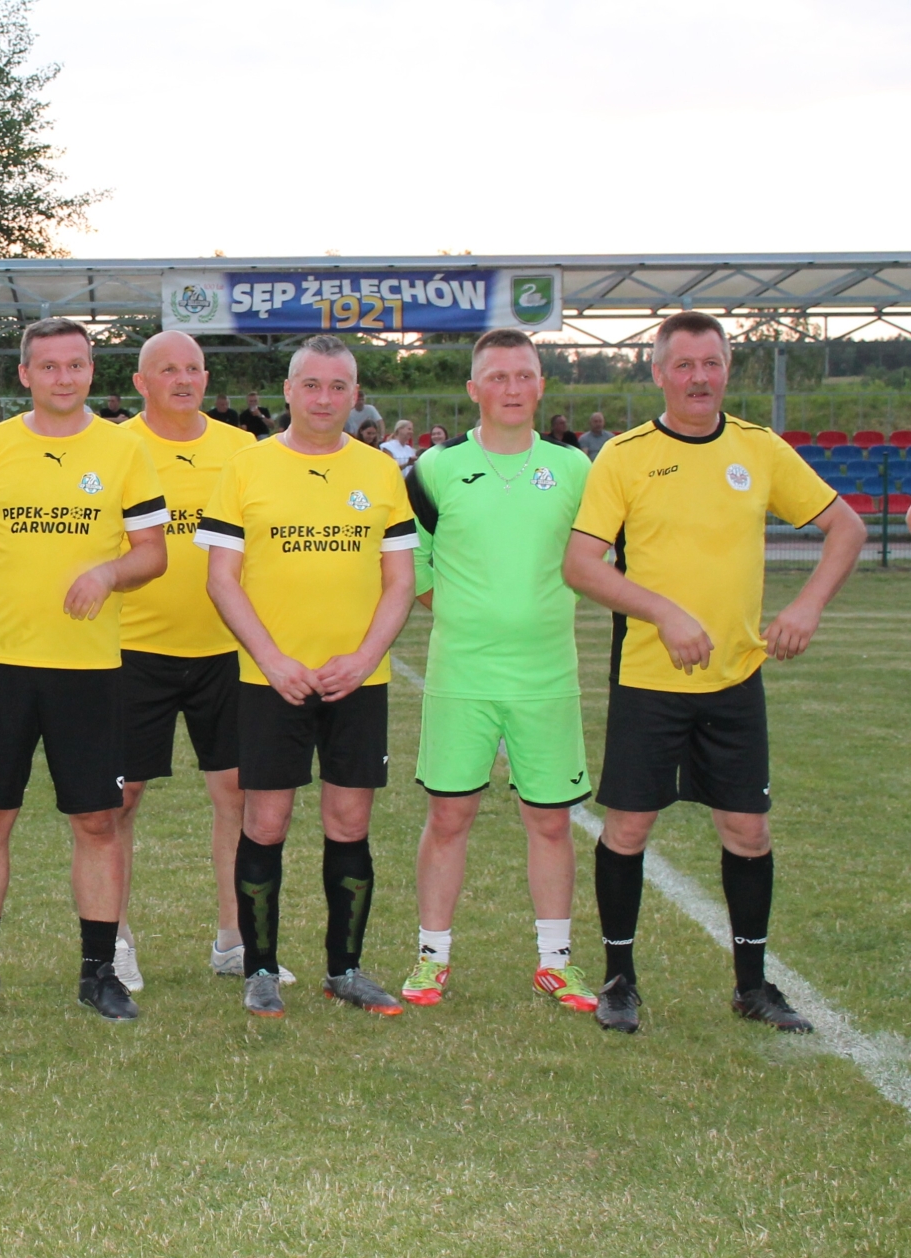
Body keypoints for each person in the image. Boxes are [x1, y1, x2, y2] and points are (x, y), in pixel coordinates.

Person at [563, 310, 864, 1035]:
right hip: (649, 680)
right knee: (628, 828)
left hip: (734, 680)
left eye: (712, 364)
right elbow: (581, 565)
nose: (699, 378)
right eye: (685, 365)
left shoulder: (758, 448)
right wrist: (663, 612)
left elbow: (846, 528)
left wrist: (807, 606)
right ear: (659, 373)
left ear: (728, 370)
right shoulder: (624, 456)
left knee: (748, 831)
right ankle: (620, 980)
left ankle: (752, 987)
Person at [0, 317, 168, 1021]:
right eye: (48, 366)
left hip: (91, 668)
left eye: (75, 364)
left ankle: (99, 973)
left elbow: (152, 551)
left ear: (91, 371)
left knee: (98, 820)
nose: (63, 377)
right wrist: (10, 615)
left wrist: (107, 573)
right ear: (25, 374)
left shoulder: (123, 449)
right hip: (3, 665)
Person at [196, 333, 417, 1019]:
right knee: (265, 820)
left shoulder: (379, 471)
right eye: (312, 385)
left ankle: (344, 970)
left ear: (355, 396)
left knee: (350, 821)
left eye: (338, 386)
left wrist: (365, 657)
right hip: (271, 680)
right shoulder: (247, 466)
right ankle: (260, 970)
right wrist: (272, 660)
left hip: (358, 680)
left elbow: (400, 581)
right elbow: (222, 578)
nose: (324, 398)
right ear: (288, 391)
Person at [397, 329, 598, 1016]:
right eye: (497, 377)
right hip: (463, 676)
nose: (512, 388)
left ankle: (555, 962)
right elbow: (413, 561)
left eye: (523, 375)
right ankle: (432, 956)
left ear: (541, 385)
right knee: (449, 815)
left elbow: (598, 555)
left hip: (548, 676)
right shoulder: (435, 469)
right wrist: (467, 614)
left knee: (551, 821)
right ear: (473, 389)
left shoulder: (574, 468)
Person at [113, 331, 254, 989]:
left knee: (238, 795)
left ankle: (235, 939)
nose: (183, 379)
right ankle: (113, 939)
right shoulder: (115, 446)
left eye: (193, 368)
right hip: (131, 649)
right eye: (167, 369)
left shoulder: (241, 448)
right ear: (141, 383)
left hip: (225, 649)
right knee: (119, 799)